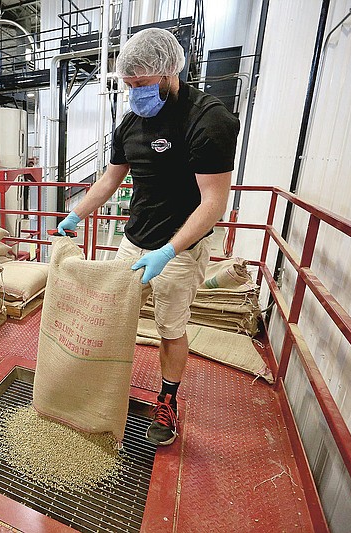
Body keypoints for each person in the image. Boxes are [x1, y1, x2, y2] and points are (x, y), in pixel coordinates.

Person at [57, 28, 240, 446]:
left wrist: (169, 250)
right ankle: (102, 390)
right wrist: (75, 215)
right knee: (109, 315)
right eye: (128, 85)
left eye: (141, 84)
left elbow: (213, 202)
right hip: (134, 241)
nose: (134, 93)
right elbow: (109, 180)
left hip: (179, 248)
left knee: (169, 328)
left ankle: (168, 401)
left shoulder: (208, 119)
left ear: (168, 72)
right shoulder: (131, 124)